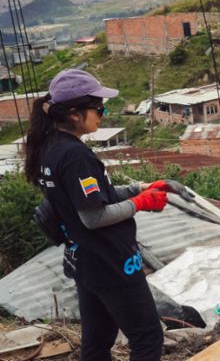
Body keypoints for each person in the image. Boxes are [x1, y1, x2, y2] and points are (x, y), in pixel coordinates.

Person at [24, 69, 191, 361]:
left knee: (98, 343)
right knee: (148, 338)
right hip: (111, 262)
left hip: (86, 261)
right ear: (75, 114)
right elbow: (94, 216)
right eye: (99, 107)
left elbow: (95, 195)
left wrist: (144, 187)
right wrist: (141, 202)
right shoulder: (75, 156)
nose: (103, 112)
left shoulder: (54, 148)